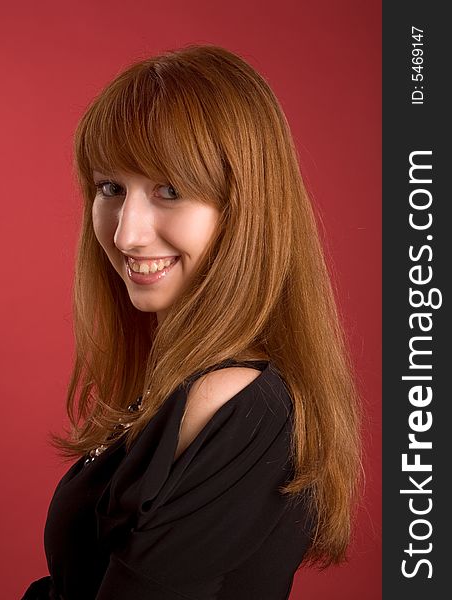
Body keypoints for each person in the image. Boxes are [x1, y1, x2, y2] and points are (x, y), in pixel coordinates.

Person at [22, 44, 361, 600]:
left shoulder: (231, 398)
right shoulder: (176, 384)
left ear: (244, 208)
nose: (127, 233)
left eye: (170, 191)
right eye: (111, 189)